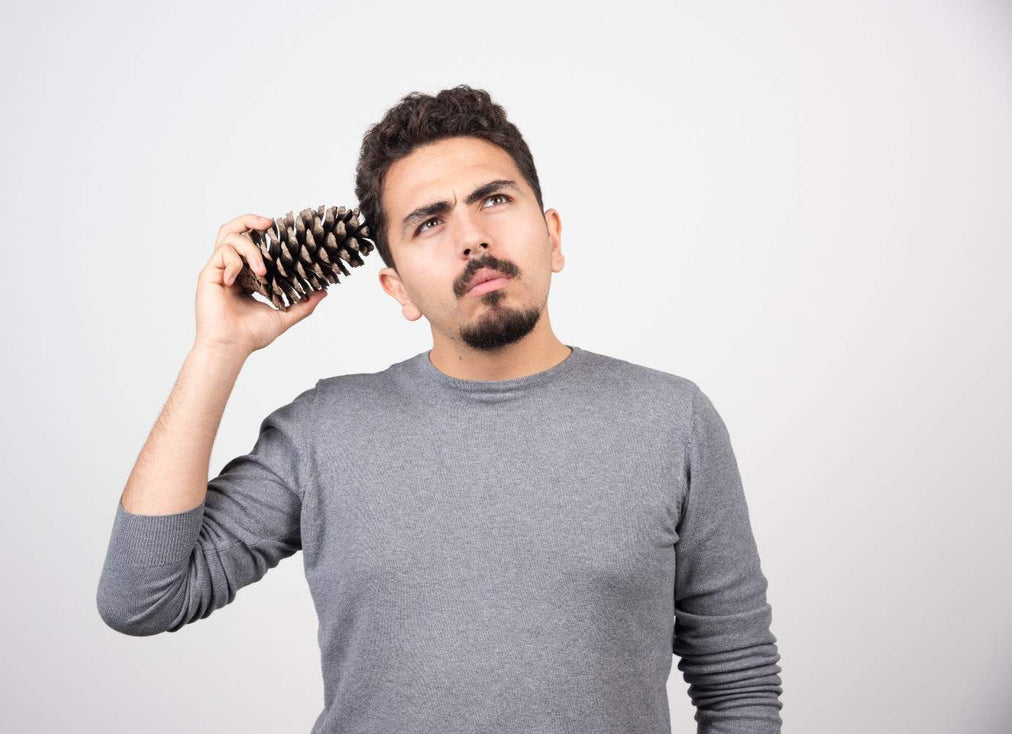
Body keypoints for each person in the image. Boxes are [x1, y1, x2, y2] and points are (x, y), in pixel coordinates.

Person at [96, 84, 783, 734]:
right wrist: (218, 349)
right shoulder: (325, 431)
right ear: (396, 288)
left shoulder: (671, 419)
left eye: (494, 200)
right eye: (430, 222)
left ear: (553, 235)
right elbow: (142, 597)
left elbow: (737, 676)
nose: (472, 238)